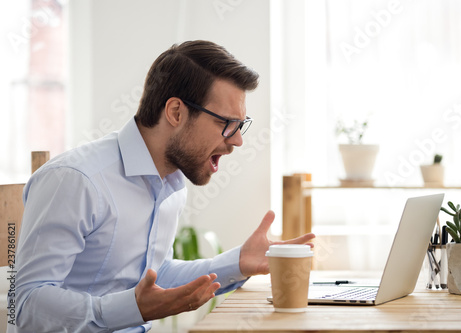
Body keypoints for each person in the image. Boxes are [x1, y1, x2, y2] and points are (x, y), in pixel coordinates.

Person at [8, 40, 315, 333]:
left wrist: (237, 263)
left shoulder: (171, 184)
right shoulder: (76, 180)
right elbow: (26, 305)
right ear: (176, 113)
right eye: (227, 123)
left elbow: (155, 275)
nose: (237, 139)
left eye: (240, 124)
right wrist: (132, 309)